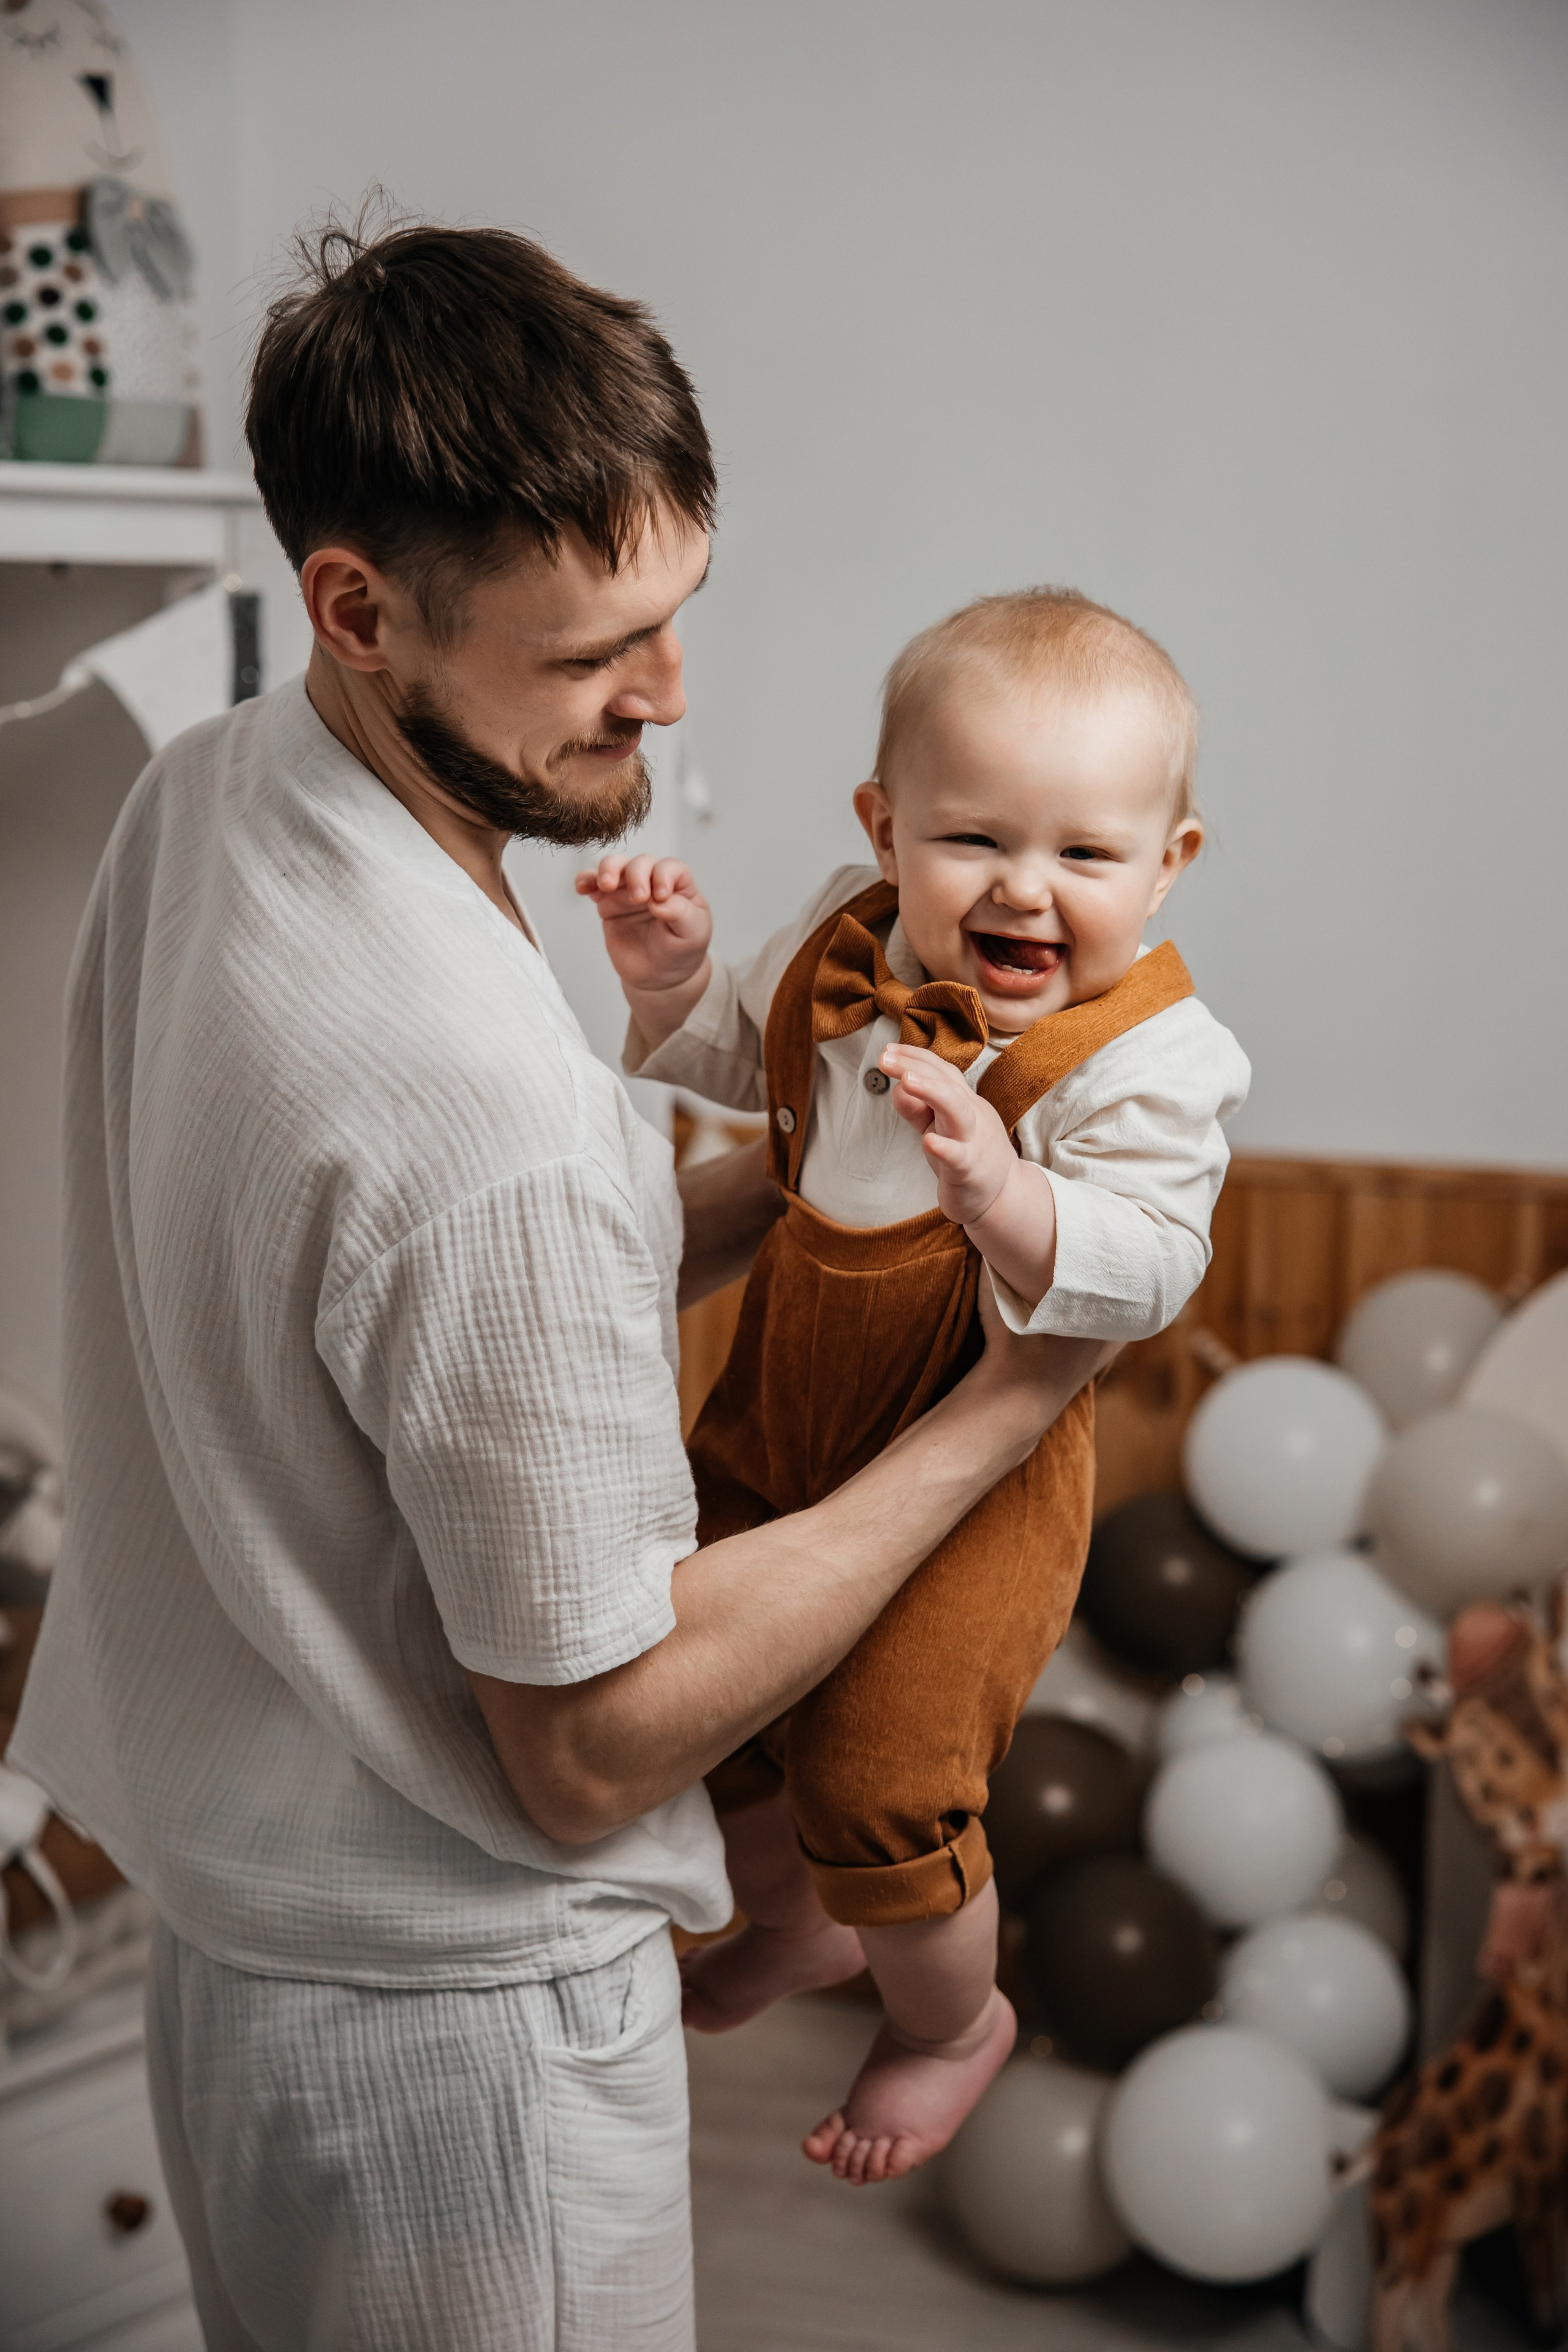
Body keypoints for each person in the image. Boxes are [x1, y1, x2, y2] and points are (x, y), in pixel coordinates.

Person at [6, 222, 1107, 2350]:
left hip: (238, 1938)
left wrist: (832, 1194)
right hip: (464, 2059)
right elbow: (592, 1746)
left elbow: (365, 1294)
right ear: (359, 607)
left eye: (680, 609)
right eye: (601, 643)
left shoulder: (211, 794)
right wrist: (1014, 1400)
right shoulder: (475, 1099)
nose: (670, 692)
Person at [579, 587, 1251, 2185]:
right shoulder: (842, 940)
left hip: (976, 1479)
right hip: (783, 1405)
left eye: (1087, 855)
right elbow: (741, 1072)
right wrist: (672, 986)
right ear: (886, 830)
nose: (1028, 888)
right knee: (701, 1703)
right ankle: (806, 1918)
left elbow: (1153, 1263)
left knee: (885, 1771)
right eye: (974, 841)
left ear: (1170, 865)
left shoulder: (1154, 1058)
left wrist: (1009, 1200)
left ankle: (953, 2025)